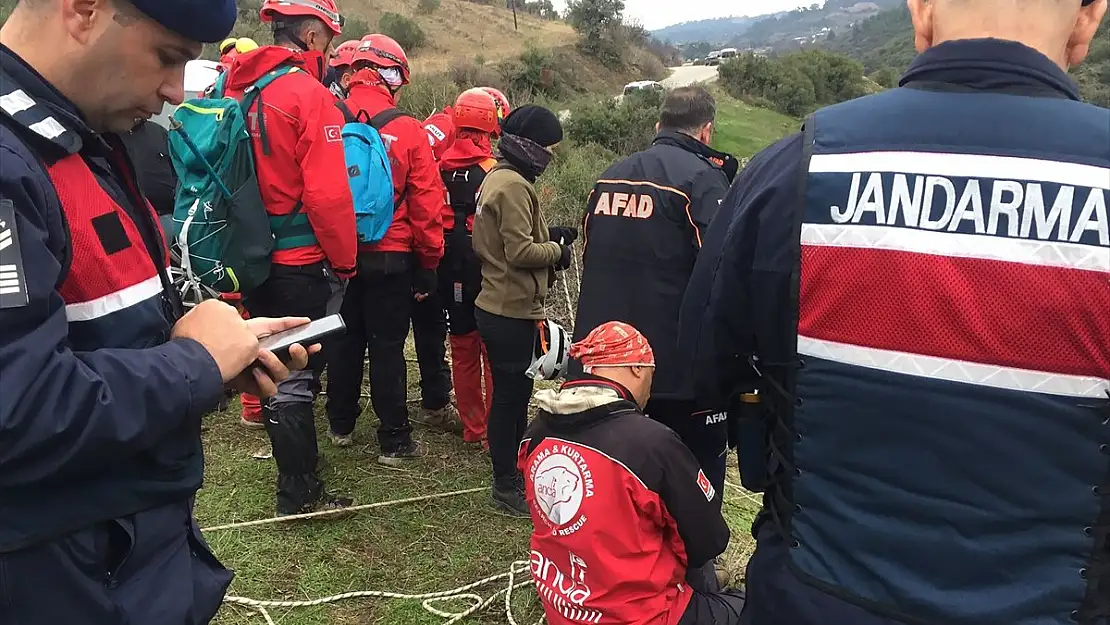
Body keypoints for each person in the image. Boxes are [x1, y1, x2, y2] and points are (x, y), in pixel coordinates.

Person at [679, 0, 1110, 623]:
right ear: (1089, 15)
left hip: (810, 597)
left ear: (921, 9)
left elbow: (701, 365)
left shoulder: (795, 167)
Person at [0, 0, 317, 622]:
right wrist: (194, 362)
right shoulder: (14, 162)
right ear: (84, 10)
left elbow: (90, 338)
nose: (174, 92)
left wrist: (217, 362)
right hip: (61, 573)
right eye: (167, 59)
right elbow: (18, 408)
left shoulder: (75, 140)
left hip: (122, 553)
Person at [221, 0, 358, 517]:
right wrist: (344, 261)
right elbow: (327, 197)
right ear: (308, 34)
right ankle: (298, 492)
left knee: (270, 357)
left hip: (249, 255)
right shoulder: (307, 95)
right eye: (325, 37)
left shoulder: (233, 88)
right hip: (300, 259)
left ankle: (296, 482)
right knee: (295, 371)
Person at [521, 321, 746, 625]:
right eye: (651, 377)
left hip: (565, 608)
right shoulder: (651, 444)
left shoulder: (536, 432)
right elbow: (710, 540)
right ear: (638, 369)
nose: (650, 392)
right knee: (758, 607)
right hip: (641, 616)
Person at [572, 85, 738, 494]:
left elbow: (589, 254)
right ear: (706, 132)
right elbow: (724, 277)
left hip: (604, 363)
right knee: (687, 484)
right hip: (675, 376)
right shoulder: (703, 181)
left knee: (615, 476)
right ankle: (691, 558)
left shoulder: (608, 177)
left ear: (658, 124)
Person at [326, 34, 447, 464]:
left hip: (338, 255)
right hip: (392, 256)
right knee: (387, 347)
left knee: (343, 341)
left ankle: (339, 424)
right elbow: (428, 205)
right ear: (393, 76)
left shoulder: (328, 117)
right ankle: (394, 440)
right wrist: (428, 263)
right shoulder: (408, 128)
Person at [472, 104, 571, 516]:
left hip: (503, 304)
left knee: (515, 394)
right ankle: (504, 485)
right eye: (548, 147)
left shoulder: (497, 175)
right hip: (508, 309)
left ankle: (513, 471)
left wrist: (552, 234)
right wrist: (559, 252)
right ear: (530, 147)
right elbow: (520, 250)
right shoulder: (513, 186)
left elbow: (509, 237)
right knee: (510, 400)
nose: (550, 156)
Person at [438, 88, 505, 448]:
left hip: (449, 265)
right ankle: (496, 433)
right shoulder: (494, 172)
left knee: (462, 347)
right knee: (493, 349)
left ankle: (472, 429)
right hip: (486, 264)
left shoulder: (440, 165)